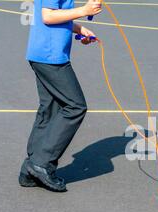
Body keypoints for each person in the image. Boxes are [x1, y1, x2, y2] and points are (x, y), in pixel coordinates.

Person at [19, 0, 102, 192]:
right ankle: (40, 163)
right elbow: (48, 16)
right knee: (75, 106)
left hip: (41, 53)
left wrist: (79, 29)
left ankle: (30, 168)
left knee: (50, 107)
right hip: (51, 56)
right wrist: (84, 10)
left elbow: (55, 14)